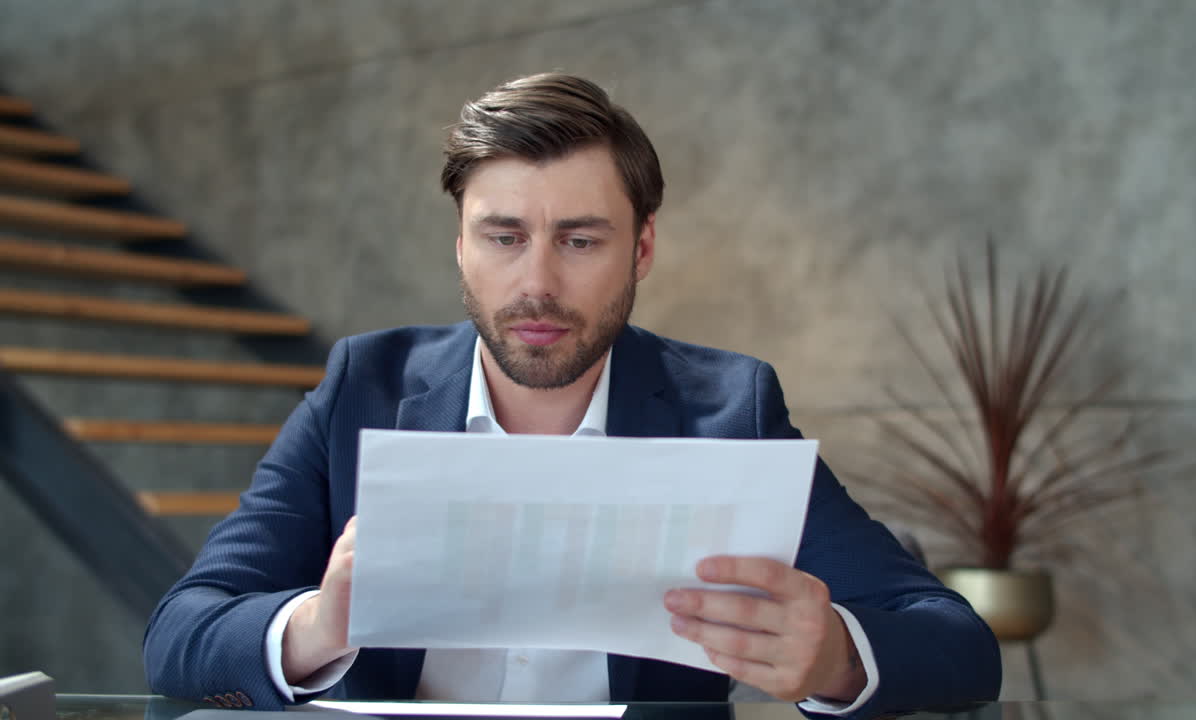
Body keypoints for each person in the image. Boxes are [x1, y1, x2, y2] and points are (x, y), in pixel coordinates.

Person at [143, 73, 1001, 718]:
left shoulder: (730, 411)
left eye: (581, 239)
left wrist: (837, 660)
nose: (537, 284)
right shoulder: (360, 385)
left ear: (643, 247)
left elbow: (959, 644)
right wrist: (319, 625)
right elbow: (179, 635)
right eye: (504, 237)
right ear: (461, 245)